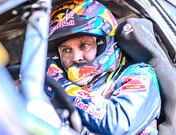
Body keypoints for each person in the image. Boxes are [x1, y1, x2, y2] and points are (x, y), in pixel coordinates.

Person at [45, 0, 161, 134]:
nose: (76, 57)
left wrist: (60, 86)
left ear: (103, 43)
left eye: (84, 46)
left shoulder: (139, 75)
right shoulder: (59, 94)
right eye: (66, 50)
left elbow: (118, 125)